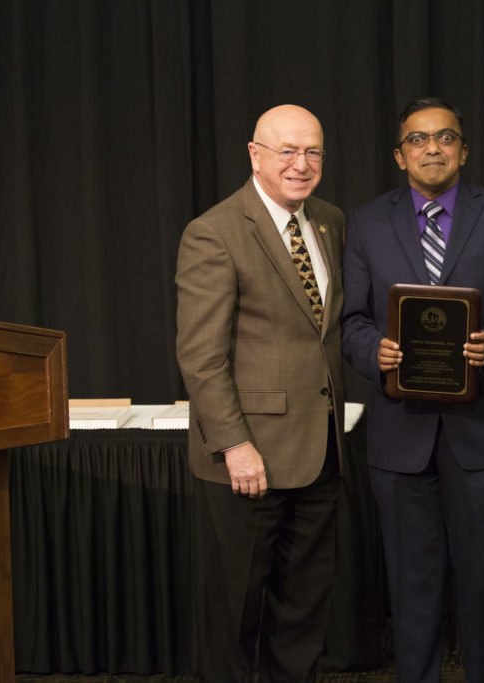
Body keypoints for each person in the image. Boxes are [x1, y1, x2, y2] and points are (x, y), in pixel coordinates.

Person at [341, 97, 484, 683]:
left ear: (464, 150)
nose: (433, 148)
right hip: (401, 440)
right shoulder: (367, 221)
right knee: (412, 590)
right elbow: (352, 320)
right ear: (400, 155)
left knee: (482, 590)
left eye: (446, 137)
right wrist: (372, 352)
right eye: (419, 140)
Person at [175, 104, 345, 682]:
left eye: (313, 151)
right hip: (247, 461)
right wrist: (234, 444)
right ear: (255, 155)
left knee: (301, 615)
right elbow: (201, 356)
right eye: (287, 151)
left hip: (320, 452)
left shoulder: (329, 221)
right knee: (232, 616)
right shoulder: (214, 232)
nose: (302, 164)